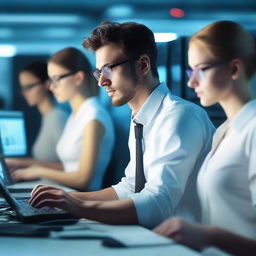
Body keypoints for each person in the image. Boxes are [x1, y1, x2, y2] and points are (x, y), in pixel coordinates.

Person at [28, 21, 215, 228]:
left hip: (191, 245)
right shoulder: (140, 118)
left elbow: (159, 203)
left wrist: (78, 207)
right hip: (162, 236)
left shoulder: (180, 116)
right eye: (99, 72)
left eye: (109, 69)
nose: (101, 82)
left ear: (143, 65)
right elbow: (130, 187)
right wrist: (67, 198)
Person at [154, 21, 256, 256]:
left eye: (201, 69)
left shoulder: (252, 129)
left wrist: (209, 236)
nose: (191, 82)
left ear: (234, 69)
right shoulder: (224, 130)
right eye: (191, 71)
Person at [12, 47, 115, 191]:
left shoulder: (93, 116)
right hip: (68, 196)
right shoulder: (76, 115)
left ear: (78, 78)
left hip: (82, 204)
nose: (52, 87)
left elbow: (83, 180)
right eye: (50, 80)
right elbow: (68, 168)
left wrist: (38, 170)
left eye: (57, 79)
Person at [7, 61, 68, 169]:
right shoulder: (47, 117)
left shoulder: (57, 117)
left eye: (29, 86)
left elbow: (69, 167)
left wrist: (25, 163)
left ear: (46, 84)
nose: (24, 93)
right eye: (23, 88)